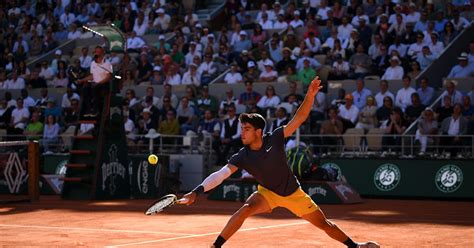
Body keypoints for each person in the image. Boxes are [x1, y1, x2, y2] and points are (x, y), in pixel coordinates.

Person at [180, 77, 379, 248]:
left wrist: (309, 96)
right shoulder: (242, 155)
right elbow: (221, 174)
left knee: (324, 224)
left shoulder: (274, 138)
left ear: (258, 132)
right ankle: (216, 245)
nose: (242, 132)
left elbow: (299, 118)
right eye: (242, 128)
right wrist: (196, 192)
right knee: (246, 209)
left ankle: (355, 246)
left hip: (294, 193)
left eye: (246, 128)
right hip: (268, 193)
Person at [77, 46, 112, 117]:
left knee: (95, 87)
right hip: (95, 82)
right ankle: (89, 109)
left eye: (98, 52)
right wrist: (82, 80)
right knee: (85, 89)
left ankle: (96, 110)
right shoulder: (93, 63)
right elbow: (92, 76)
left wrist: (98, 83)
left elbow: (108, 77)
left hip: (104, 83)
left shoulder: (107, 63)